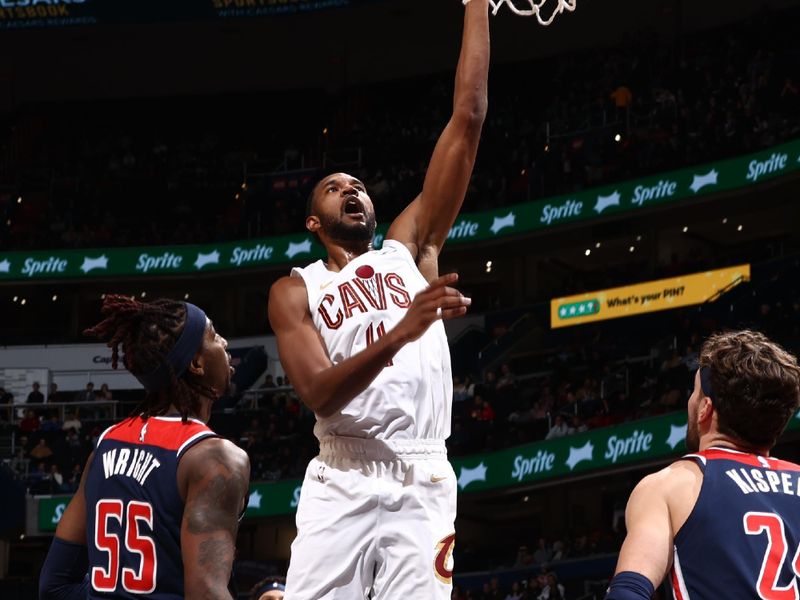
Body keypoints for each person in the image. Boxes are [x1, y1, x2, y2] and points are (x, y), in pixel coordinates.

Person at [267, 2, 489, 597]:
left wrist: (476, 6)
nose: (352, 191)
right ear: (315, 221)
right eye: (336, 188)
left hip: (422, 473)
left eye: (359, 186)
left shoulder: (409, 251)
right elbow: (317, 392)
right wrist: (402, 331)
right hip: (341, 473)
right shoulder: (296, 289)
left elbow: (466, 118)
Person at [39, 296, 250, 600]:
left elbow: (54, 585)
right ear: (196, 363)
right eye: (214, 335)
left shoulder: (105, 446)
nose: (225, 343)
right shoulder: (215, 458)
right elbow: (206, 592)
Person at [605, 330, 800, 600]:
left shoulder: (673, 484)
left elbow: (628, 592)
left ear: (705, 408)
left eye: (694, 392)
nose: (690, 401)